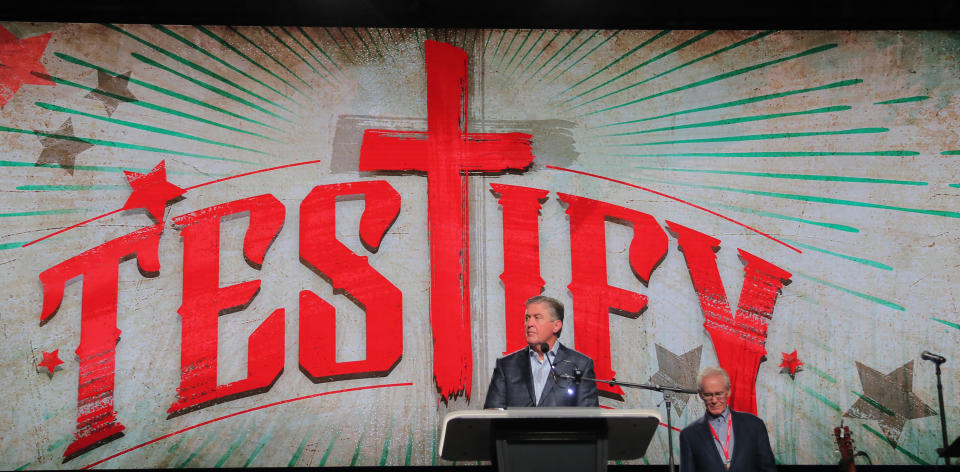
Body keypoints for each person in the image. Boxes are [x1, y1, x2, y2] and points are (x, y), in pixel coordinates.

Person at [483, 295, 599, 408]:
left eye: (537, 317)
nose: (529, 324)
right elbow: (492, 413)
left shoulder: (581, 365)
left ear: (556, 326)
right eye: (527, 318)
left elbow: (589, 417)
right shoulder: (506, 365)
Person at [679, 366, 776, 472]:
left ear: (728, 391)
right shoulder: (689, 434)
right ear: (701, 394)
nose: (714, 400)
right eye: (708, 395)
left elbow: (768, 469)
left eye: (719, 394)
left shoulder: (755, 425)